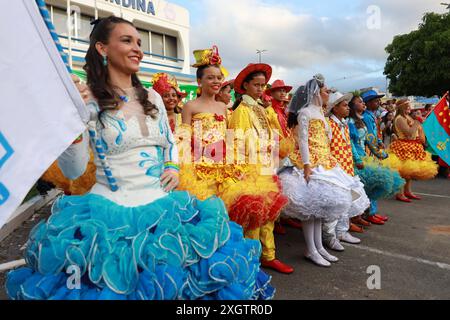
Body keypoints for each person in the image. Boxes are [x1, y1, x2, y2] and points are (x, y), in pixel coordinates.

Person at [6, 17, 274, 300]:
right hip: (107, 216)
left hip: (165, 209)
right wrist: (71, 121)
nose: (137, 49)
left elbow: (169, 143)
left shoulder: (153, 98)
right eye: (126, 40)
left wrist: (172, 166)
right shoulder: (87, 99)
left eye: (139, 42)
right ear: (102, 48)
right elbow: (72, 170)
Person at [278, 75, 367, 267]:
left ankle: (319, 247)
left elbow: (326, 141)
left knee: (318, 209)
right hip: (309, 164)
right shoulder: (305, 113)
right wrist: (308, 165)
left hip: (325, 162)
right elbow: (302, 141)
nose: (329, 94)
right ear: (316, 93)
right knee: (310, 209)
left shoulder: (320, 113)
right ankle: (311, 248)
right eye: (326, 91)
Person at [227, 63, 292, 274]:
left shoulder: (260, 109)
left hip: (266, 167)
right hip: (250, 169)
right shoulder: (241, 111)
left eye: (263, 85)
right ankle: (251, 260)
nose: (260, 89)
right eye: (256, 85)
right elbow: (235, 144)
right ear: (245, 86)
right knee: (254, 217)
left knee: (269, 214)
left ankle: (269, 255)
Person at [323, 91, 370, 248]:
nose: (348, 108)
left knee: (346, 202)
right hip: (335, 171)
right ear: (335, 108)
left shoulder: (343, 124)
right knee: (336, 205)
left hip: (346, 168)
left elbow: (348, 145)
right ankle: (330, 237)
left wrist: (355, 160)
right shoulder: (328, 124)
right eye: (344, 105)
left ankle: (342, 231)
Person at [348, 93, 404, 225]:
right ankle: (362, 215)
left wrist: (378, 147)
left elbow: (370, 137)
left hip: (366, 154)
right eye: (360, 102)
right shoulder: (353, 121)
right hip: (358, 156)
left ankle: (368, 213)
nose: (378, 102)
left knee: (369, 185)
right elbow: (354, 142)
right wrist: (375, 153)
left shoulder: (362, 118)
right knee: (363, 186)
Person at [264, 80, 302, 235]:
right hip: (275, 153)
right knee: (276, 186)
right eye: (278, 90)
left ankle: (285, 216)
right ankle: (277, 219)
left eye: (284, 90)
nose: (282, 93)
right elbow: (269, 133)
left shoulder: (283, 111)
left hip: (287, 152)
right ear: (271, 93)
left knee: (286, 185)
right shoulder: (269, 112)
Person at [386, 99, 438, 201]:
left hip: (412, 146)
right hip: (403, 147)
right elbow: (409, 134)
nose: (410, 107)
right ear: (402, 107)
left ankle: (408, 191)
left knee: (409, 172)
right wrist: (417, 122)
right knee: (402, 172)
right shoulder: (400, 118)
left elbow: (416, 133)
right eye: (407, 105)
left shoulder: (408, 117)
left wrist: (419, 129)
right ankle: (400, 193)